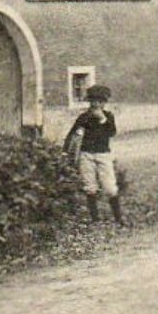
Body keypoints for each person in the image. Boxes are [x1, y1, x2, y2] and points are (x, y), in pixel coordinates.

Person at [63, 85, 125, 224]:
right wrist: (65, 151)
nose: (96, 104)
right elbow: (72, 135)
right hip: (86, 155)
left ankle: (118, 218)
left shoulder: (108, 117)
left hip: (103, 155)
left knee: (110, 186)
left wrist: (102, 119)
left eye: (99, 101)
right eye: (93, 101)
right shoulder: (84, 117)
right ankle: (95, 219)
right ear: (89, 102)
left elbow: (112, 132)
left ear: (104, 103)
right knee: (89, 186)